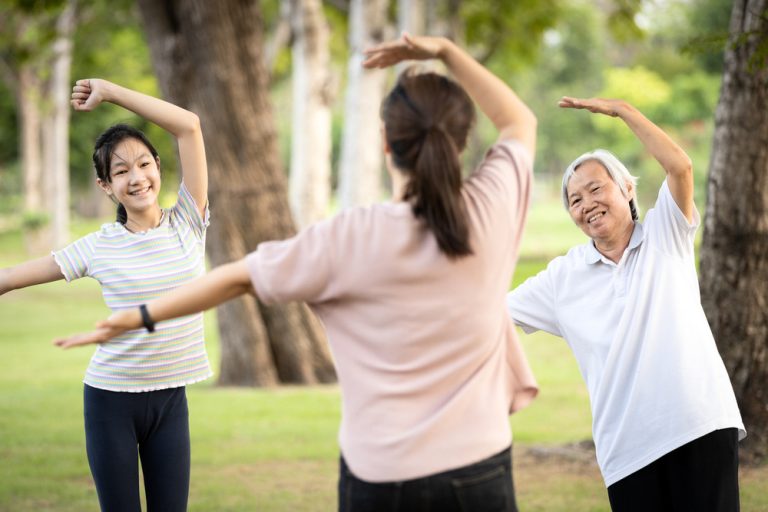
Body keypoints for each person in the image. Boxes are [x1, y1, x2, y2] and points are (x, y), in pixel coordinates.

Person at [54, 34, 539, 512]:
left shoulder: (348, 236)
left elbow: (240, 278)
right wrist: (445, 52)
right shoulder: (490, 208)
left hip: (380, 475)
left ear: (386, 144)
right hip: (481, 466)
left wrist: (141, 315)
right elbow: (518, 121)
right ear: (461, 140)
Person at [506, 96, 745, 511]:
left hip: (700, 427)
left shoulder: (665, 235)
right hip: (627, 452)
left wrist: (622, 111)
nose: (586, 204)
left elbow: (681, 167)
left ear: (627, 188)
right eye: (574, 200)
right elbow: (487, 311)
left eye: (595, 188)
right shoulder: (563, 277)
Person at [0, 79, 210, 511]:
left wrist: (113, 93)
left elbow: (189, 126)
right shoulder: (99, 245)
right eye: (120, 171)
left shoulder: (188, 221)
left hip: (171, 399)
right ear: (105, 185)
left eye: (143, 164)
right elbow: (10, 276)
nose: (137, 178)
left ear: (158, 168)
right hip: (111, 401)